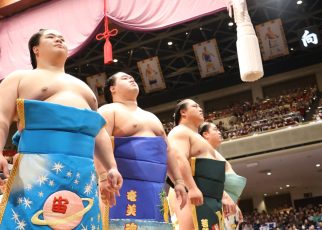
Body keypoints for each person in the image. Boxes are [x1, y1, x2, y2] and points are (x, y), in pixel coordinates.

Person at [0, 29, 122, 229]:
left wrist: (111, 167)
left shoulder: (84, 88)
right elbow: (2, 117)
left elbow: (98, 131)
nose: (59, 39)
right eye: (50, 37)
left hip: (83, 168)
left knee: (80, 222)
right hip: (37, 164)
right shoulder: (19, 77)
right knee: (32, 220)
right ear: (35, 49)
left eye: (62, 38)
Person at [95, 72, 187, 229]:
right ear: (113, 88)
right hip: (121, 185)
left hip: (156, 189)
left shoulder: (152, 116)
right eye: (124, 78)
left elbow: (168, 151)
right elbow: (98, 139)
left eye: (132, 77)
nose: (131, 79)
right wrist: (103, 176)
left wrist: (178, 181)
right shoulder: (109, 110)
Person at [167, 99, 237, 230]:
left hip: (210, 195)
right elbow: (178, 159)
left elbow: (212, 174)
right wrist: (192, 187)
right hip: (192, 192)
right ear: (183, 112)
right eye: (195, 106)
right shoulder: (179, 131)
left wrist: (224, 195)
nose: (200, 109)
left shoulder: (199, 139)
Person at [199, 122, 246, 230]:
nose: (219, 132)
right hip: (217, 206)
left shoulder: (213, 152)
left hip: (226, 207)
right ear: (206, 134)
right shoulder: (204, 151)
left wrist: (235, 204)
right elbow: (208, 178)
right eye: (215, 129)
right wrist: (225, 197)